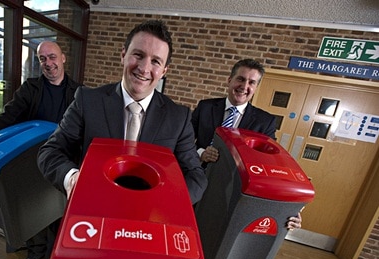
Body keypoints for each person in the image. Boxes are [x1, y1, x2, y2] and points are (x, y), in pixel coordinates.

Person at [37, 20, 207, 207]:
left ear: (164, 71)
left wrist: (168, 202)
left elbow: (196, 176)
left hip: (150, 216)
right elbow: (50, 152)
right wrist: (72, 179)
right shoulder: (88, 100)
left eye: (155, 61)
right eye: (138, 55)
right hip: (93, 210)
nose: (144, 68)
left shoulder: (178, 117)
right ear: (123, 55)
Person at [0, 41, 80, 259]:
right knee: (34, 208)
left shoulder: (79, 93)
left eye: (52, 57)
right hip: (32, 161)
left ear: (63, 58)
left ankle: (58, 253)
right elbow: (8, 117)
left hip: (63, 163)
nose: (49, 63)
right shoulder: (30, 89)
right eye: (43, 59)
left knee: (60, 208)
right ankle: (35, 252)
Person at [192, 58, 301, 230]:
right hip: (196, 182)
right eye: (241, 79)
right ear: (230, 80)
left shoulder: (264, 122)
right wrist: (200, 153)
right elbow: (183, 142)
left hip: (232, 192)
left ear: (256, 88)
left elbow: (270, 163)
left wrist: (290, 207)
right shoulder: (205, 107)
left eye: (252, 82)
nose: (244, 86)